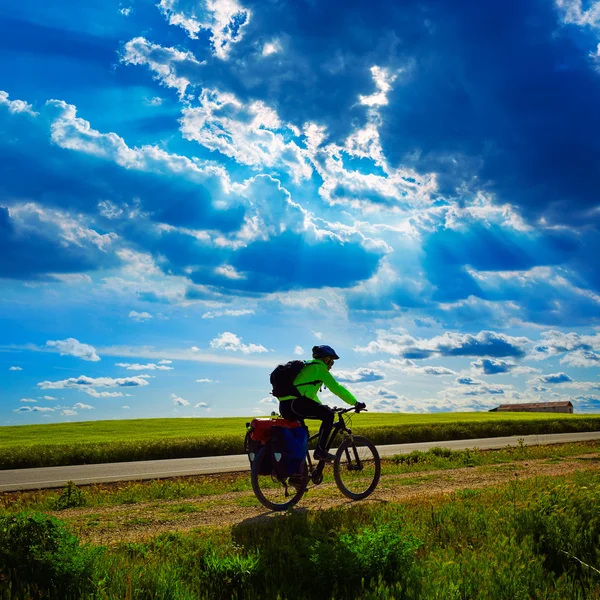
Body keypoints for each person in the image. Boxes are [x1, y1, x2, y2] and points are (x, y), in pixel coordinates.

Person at [278, 345, 366, 462]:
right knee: (329, 415)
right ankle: (320, 450)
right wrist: (355, 402)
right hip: (297, 404)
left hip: (285, 406)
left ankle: (299, 474)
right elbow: (337, 388)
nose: (331, 366)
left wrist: (321, 406)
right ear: (326, 359)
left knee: (302, 436)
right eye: (332, 362)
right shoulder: (320, 368)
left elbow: (309, 395)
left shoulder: (306, 366)